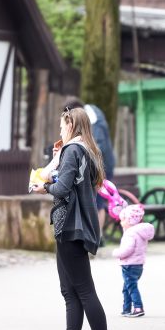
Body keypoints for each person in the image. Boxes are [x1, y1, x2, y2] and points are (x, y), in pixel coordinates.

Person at [30, 107, 114, 330]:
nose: (59, 130)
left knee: (83, 290)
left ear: (71, 126)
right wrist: (59, 163)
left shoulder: (72, 150)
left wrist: (43, 187)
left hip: (70, 225)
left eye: (62, 126)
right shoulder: (88, 150)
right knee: (72, 291)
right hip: (80, 224)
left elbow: (63, 188)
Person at [64, 96, 115, 230]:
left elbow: (100, 146)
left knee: (97, 202)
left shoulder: (93, 117)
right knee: (94, 201)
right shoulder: (92, 112)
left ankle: (96, 238)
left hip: (101, 165)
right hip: (98, 164)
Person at [112, 204, 155, 318]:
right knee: (127, 287)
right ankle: (126, 309)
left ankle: (138, 307)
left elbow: (128, 249)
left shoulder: (130, 233)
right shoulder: (139, 232)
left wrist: (116, 253)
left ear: (130, 220)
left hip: (129, 265)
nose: (121, 222)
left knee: (131, 287)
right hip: (138, 265)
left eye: (123, 220)